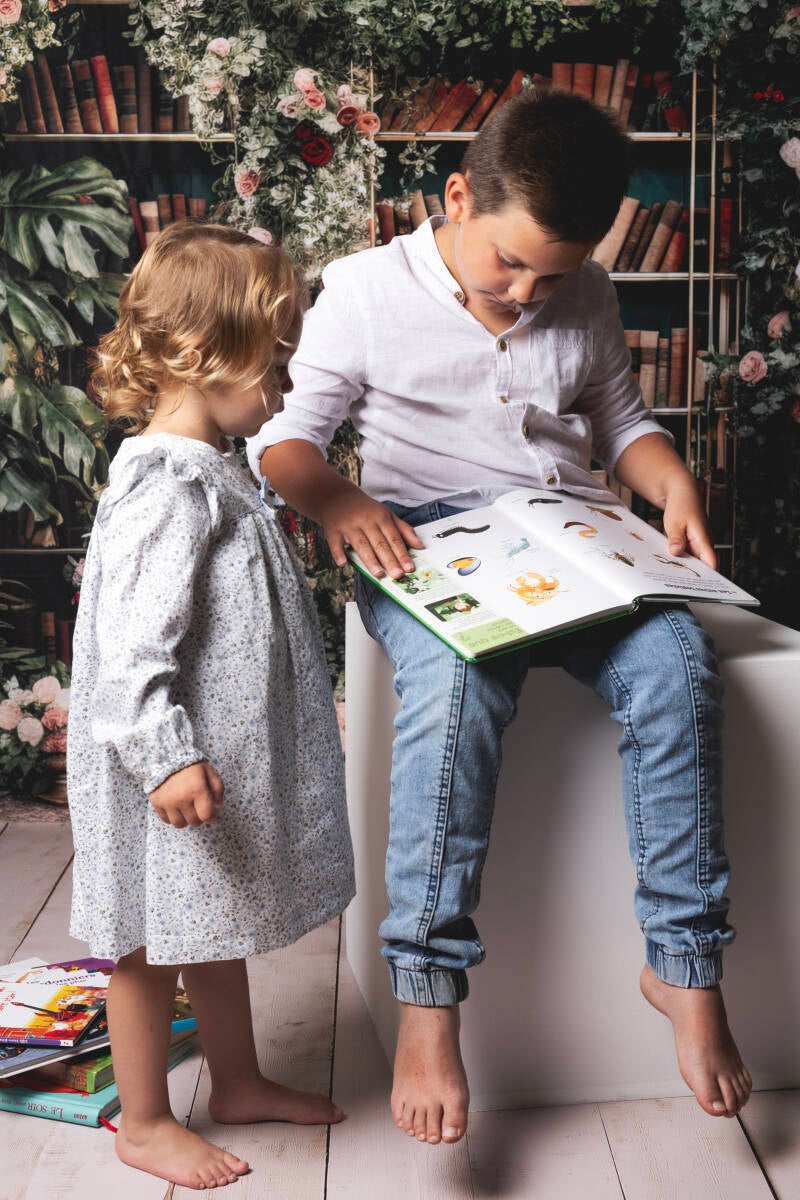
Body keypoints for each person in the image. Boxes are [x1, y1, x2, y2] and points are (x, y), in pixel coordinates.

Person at [247, 89, 752, 1147]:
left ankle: (683, 966)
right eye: (509, 265)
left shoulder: (588, 291)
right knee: (456, 686)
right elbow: (286, 443)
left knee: (677, 664)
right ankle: (428, 997)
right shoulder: (363, 291)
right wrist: (339, 502)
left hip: (571, 537)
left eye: (552, 277)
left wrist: (669, 484)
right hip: (422, 542)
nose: (526, 294)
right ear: (456, 197)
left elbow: (619, 420)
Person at [67, 223, 355, 1190]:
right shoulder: (168, 487)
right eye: (274, 367)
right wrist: (165, 756)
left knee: (209, 917)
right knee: (151, 944)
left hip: (208, 760)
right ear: (203, 356)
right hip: (171, 766)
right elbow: (132, 649)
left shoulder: (210, 465)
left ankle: (236, 1080)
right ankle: (146, 1121)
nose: (285, 387)